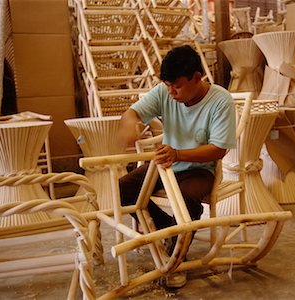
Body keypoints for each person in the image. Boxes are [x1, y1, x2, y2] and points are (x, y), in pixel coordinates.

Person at [118, 45, 236, 288]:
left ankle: (176, 258)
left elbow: (218, 149)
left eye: (177, 86)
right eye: (168, 85)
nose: (171, 92)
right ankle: (169, 232)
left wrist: (178, 153)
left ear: (196, 77)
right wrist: (131, 124)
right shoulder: (165, 91)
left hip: (200, 168)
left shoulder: (220, 100)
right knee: (122, 190)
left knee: (185, 200)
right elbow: (132, 113)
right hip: (167, 165)